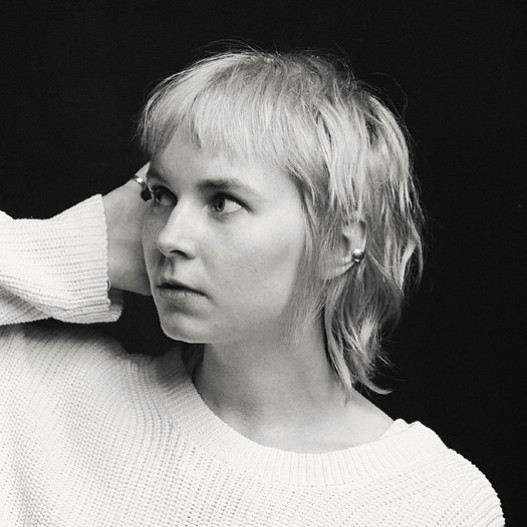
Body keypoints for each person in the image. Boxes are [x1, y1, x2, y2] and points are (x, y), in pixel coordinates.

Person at [0, 49, 504, 526]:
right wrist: (88, 244)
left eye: (222, 202)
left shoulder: (431, 502)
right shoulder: (45, 396)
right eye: (161, 195)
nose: (169, 237)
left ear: (338, 242)